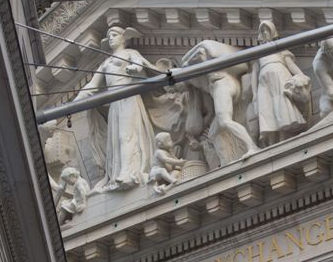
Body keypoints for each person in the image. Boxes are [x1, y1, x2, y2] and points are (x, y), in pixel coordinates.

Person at [70, 26, 165, 191]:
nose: (111, 38)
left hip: (128, 97)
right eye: (109, 36)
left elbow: (139, 64)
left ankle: (128, 173)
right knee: (116, 140)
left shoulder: (130, 53)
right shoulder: (105, 63)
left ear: (124, 38)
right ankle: (119, 173)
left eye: (114, 35)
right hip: (116, 102)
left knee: (125, 136)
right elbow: (92, 85)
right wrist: (73, 104)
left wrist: (134, 69)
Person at [180, 39, 259, 165]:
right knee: (212, 133)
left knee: (225, 121)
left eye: (173, 86)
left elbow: (200, 49)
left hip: (223, 86)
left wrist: (185, 63)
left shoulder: (205, 63)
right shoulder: (197, 80)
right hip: (227, 86)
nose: (174, 90)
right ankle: (224, 163)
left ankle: (252, 146)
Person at [251, 20, 309, 146]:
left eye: (267, 30)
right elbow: (254, 74)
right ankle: (271, 142)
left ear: (272, 32)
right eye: (263, 31)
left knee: (281, 107)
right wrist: (254, 94)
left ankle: (283, 139)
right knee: (266, 109)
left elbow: (291, 65)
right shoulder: (258, 53)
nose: (265, 32)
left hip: (280, 78)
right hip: (264, 83)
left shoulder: (280, 49)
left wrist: (301, 76)